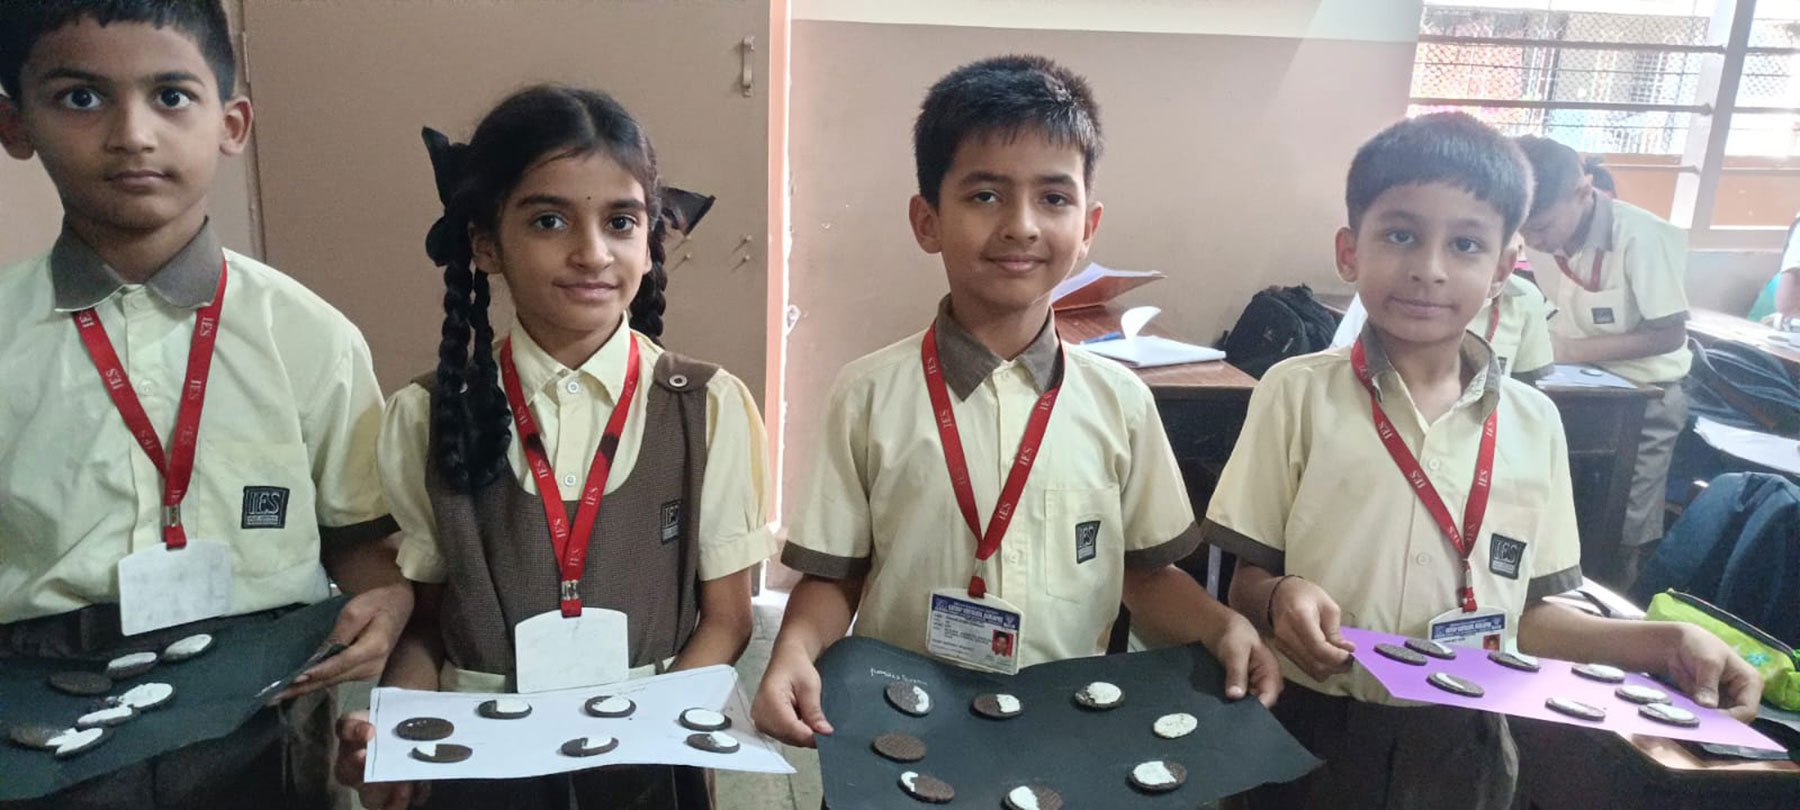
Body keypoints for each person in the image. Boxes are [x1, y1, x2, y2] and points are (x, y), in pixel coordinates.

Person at [1205, 112, 1762, 810]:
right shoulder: (1296, 394)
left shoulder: (1535, 423)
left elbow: (1530, 618)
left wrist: (1666, 640)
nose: (1429, 268)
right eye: (1400, 235)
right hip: (1309, 726)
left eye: (1465, 244)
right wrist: (1278, 597)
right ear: (1349, 251)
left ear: (1503, 269)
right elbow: (1244, 581)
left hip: (1465, 740)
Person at [751, 55, 1279, 750]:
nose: (1022, 225)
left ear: (1087, 226)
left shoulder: (1120, 402)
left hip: (1064, 735)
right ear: (927, 221)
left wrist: (1221, 624)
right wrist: (792, 649)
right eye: (985, 195)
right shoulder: (868, 394)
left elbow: (1145, 576)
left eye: (1053, 198)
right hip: (900, 732)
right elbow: (835, 580)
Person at [0, 3, 410, 806]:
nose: (132, 134)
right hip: (37, 710)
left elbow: (361, 538)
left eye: (171, 96)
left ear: (231, 123)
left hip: (265, 710)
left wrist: (390, 600)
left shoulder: (309, 336)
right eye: (82, 97)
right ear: (15, 125)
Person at [333, 84, 777, 810]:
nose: (592, 253)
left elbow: (727, 618)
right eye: (549, 220)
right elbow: (427, 626)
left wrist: (651, 734)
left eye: (621, 222)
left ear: (649, 241)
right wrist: (396, 733)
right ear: (487, 244)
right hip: (478, 769)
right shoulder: (424, 415)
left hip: (649, 763)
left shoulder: (707, 406)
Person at [1517, 134, 1693, 587]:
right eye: (1525, 230)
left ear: (1584, 190)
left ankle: (1617, 602)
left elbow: (1670, 333)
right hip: (1574, 389)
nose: (1533, 240)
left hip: (1645, 399)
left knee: (1621, 527)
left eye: (1542, 228)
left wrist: (1574, 351)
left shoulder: (1642, 236)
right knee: (1561, 512)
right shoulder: (1541, 235)